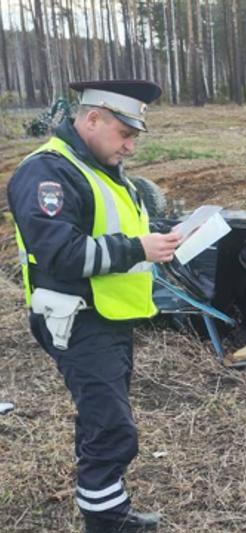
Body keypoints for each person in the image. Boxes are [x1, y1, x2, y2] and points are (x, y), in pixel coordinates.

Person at [6, 80, 181, 532]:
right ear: (92, 119)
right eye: (124, 134)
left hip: (110, 315)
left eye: (134, 137)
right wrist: (139, 248)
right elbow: (60, 254)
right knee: (113, 428)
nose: (130, 146)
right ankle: (106, 523)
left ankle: (107, 512)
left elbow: (115, 230)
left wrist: (159, 241)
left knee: (103, 420)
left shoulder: (100, 168)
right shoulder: (47, 172)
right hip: (77, 319)